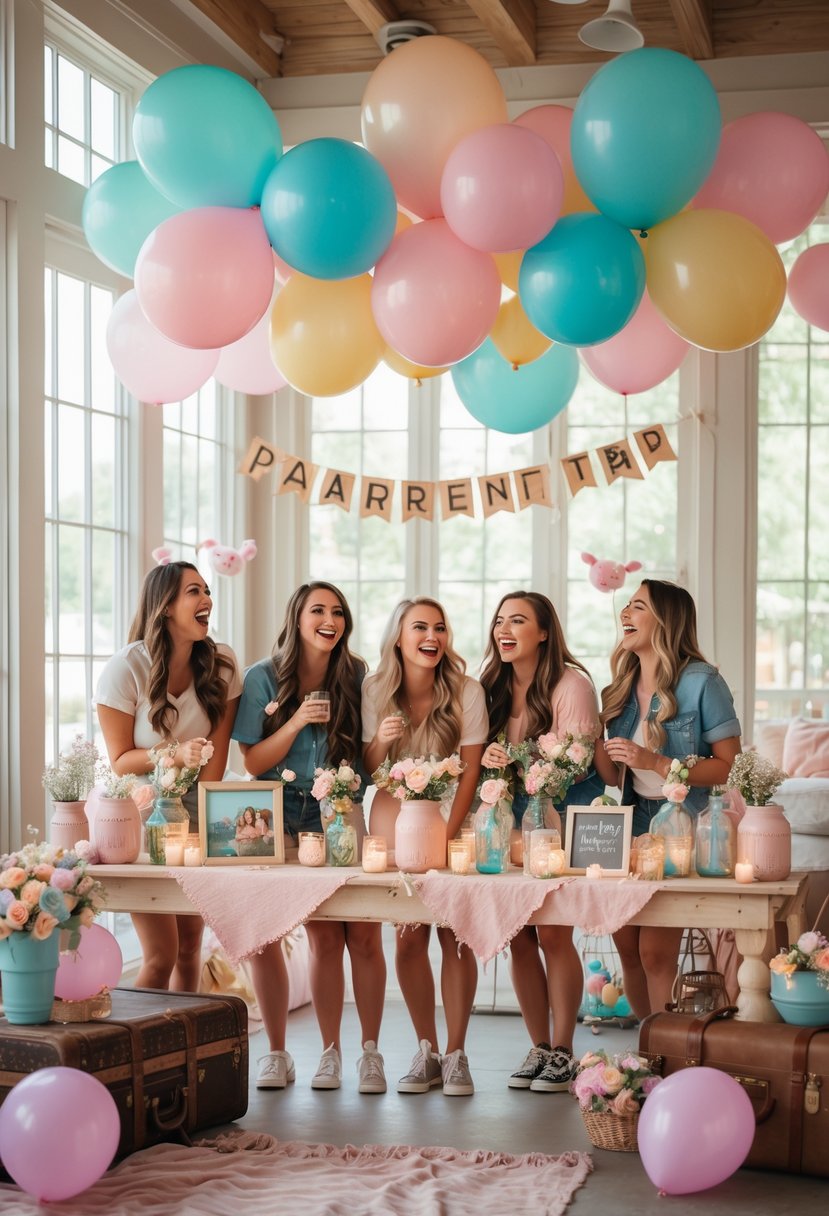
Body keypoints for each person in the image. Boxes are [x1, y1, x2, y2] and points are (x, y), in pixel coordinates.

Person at [232, 581, 387, 1095]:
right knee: (293, 936)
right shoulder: (260, 679)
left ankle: (363, 1053)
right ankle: (298, 1053)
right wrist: (297, 718)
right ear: (297, 617)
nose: (330, 619)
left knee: (357, 934)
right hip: (276, 816)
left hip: (340, 811)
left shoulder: (357, 675)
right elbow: (252, 762)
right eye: (318, 610)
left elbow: (364, 767)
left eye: (338, 611)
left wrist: (385, 744)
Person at [595, 579, 741, 1018]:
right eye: (627, 605)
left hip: (680, 822)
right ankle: (646, 1052)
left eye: (637, 606)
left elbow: (728, 765)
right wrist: (595, 750)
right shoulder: (621, 686)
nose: (626, 613)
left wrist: (657, 763)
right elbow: (613, 774)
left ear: (665, 620)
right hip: (629, 821)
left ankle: (664, 1059)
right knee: (627, 949)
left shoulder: (702, 681)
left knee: (656, 953)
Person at [95, 560, 241, 990]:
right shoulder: (125, 668)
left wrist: (208, 831)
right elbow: (120, 760)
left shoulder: (223, 664)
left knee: (191, 947)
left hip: (197, 810)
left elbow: (216, 760)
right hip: (141, 816)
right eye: (194, 591)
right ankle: (137, 1055)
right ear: (164, 607)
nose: (207, 600)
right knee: (161, 954)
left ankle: (183, 1054)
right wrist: (173, 753)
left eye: (207, 591)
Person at [479, 591, 603, 1094]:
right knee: (518, 937)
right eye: (500, 620)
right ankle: (539, 1048)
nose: (504, 629)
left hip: (557, 825)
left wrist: (524, 768)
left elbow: (576, 766)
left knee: (554, 935)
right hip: (507, 826)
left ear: (545, 632)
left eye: (519, 620)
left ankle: (565, 1050)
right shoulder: (491, 686)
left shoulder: (570, 685)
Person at [362, 596, 487, 1097]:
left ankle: (457, 1055)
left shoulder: (467, 691)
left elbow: (472, 769)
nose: (432, 636)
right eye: (420, 627)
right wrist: (380, 740)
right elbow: (367, 769)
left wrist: (450, 833)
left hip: (452, 816)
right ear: (399, 636)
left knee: (455, 935)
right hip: (393, 817)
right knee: (409, 937)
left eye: (440, 627)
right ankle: (427, 1051)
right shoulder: (374, 690)